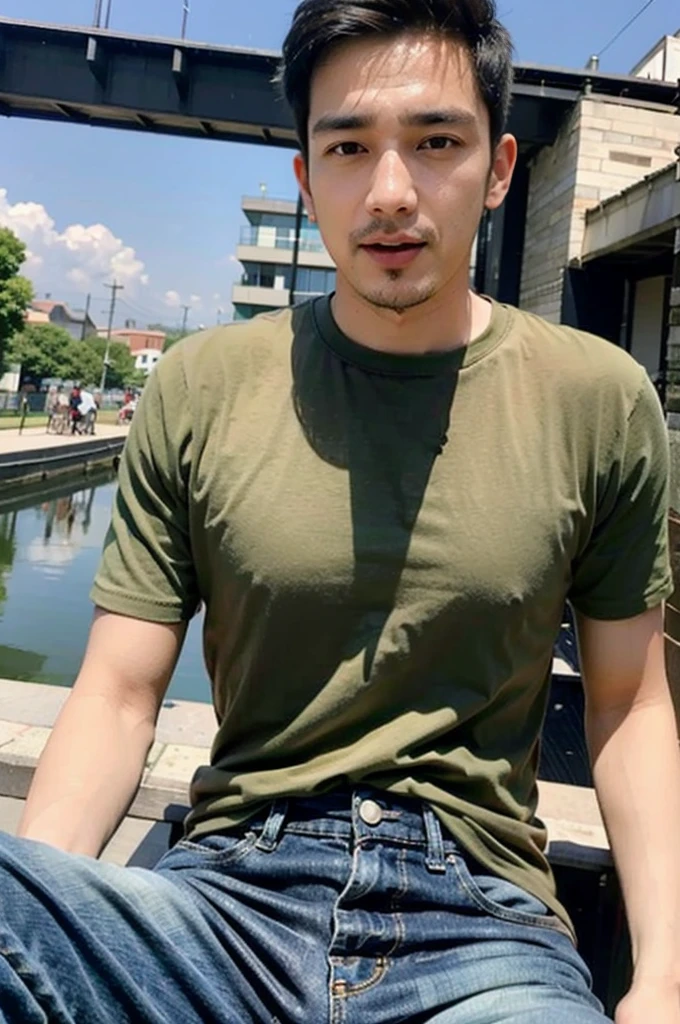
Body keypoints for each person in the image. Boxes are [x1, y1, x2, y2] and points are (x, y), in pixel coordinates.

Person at [2, 2, 679, 1023]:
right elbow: (118, 691)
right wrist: (50, 916)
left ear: (498, 169)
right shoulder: (200, 386)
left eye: (435, 141)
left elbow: (628, 703)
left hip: (482, 926)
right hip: (227, 897)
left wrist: (661, 982)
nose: (391, 192)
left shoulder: (598, 398)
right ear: (305, 179)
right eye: (349, 147)